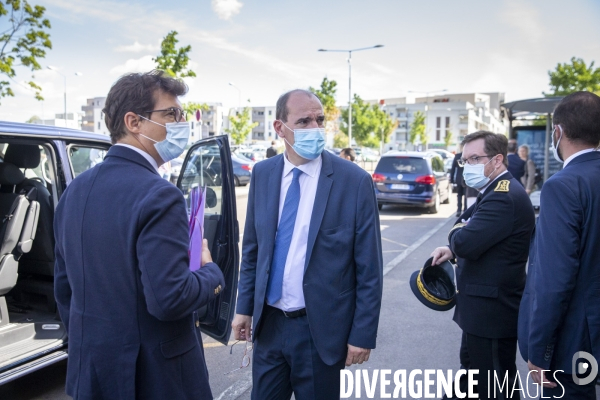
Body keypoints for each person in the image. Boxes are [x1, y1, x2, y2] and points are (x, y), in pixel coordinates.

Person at [54, 70, 225, 399]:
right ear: (133, 122)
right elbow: (170, 299)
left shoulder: (74, 191)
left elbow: (65, 291)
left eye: (182, 114)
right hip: (155, 379)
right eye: (171, 114)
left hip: (92, 372)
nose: (181, 122)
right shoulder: (159, 195)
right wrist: (210, 270)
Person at [231, 89, 383, 400]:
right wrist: (244, 308)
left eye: (319, 120)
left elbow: (369, 269)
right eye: (303, 121)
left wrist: (362, 335)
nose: (314, 128)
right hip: (269, 326)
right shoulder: (263, 173)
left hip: (320, 332)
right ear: (279, 128)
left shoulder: (353, 181)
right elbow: (253, 251)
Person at [430, 131, 535, 399]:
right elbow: (467, 234)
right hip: (482, 311)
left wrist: (456, 240)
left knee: (495, 386)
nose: (468, 166)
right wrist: (454, 244)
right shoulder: (493, 190)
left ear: (497, 160)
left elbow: (465, 240)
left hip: (492, 313)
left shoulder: (503, 195)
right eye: (465, 160)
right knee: (472, 376)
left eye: (475, 158)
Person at [518, 91, 600, 399]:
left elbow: (555, 280)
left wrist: (540, 351)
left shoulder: (562, 187)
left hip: (573, 344)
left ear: (558, 132)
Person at [450, 146, 466, 217]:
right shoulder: (467, 156)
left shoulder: (458, 156)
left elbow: (453, 169)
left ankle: (459, 210)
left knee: (459, 195)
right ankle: (465, 210)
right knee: (465, 195)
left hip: (459, 178)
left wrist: (451, 179)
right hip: (465, 179)